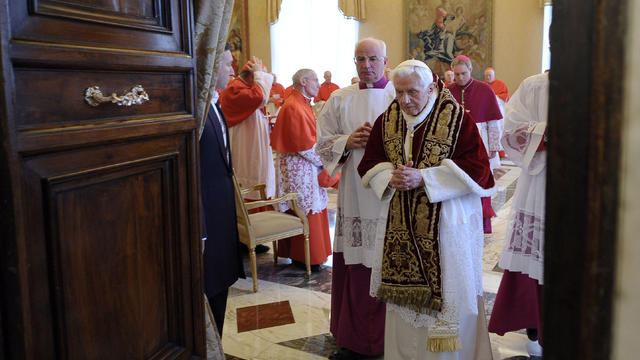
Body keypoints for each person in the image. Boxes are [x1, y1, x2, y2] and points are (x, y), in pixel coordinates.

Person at [358, 59, 496, 360]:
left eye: (413, 92)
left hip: (446, 226)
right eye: (399, 92)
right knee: (405, 315)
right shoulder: (388, 119)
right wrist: (389, 176)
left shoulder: (457, 119)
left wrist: (425, 177)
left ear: (431, 87)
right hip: (399, 225)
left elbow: (480, 170)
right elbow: (370, 163)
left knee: (448, 297)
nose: (405, 100)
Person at [317, 37, 395, 359]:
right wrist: (347, 141)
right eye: (360, 59)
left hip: (391, 194)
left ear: (386, 61)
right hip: (355, 190)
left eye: (373, 58)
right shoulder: (339, 98)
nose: (367, 65)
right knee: (357, 262)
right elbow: (321, 144)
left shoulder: (398, 94)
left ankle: (392, 338)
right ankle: (354, 336)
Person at [488, 72, 549, 358]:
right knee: (535, 252)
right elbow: (510, 129)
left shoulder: (596, 80)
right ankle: (534, 321)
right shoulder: (534, 85)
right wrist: (546, 132)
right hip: (539, 177)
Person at [201, 46, 245, 336]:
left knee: (221, 285)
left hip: (222, 214)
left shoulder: (215, 104)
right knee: (209, 286)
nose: (233, 70)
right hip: (207, 217)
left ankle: (216, 344)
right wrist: (201, 228)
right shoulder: (197, 110)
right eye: (228, 64)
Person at [270, 69, 332, 271]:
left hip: (303, 166)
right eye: (315, 80)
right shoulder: (295, 106)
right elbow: (304, 146)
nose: (319, 84)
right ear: (304, 82)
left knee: (305, 206)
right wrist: (328, 160)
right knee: (305, 208)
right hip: (301, 168)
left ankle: (301, 255)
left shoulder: (301, 102)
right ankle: (307, 257)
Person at [447, 55, 502, 234]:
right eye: (456, 75)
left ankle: (482, 223)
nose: (460, 78)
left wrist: (493, 146)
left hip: (482, 141)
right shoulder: (448, 91)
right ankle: (461, 223)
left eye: (463, 73)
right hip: (456, 143)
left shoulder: (485, 90)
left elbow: (493, 120)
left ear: (470, 70)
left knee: (481, 182)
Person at [220, 56, 275, 200]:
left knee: (259, 170)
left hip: (254, 139)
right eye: (259, 76)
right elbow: (261, 97)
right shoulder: (235, 88)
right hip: (245, 140)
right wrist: (260, 74)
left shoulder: (247, 87)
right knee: (249, 171)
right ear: (252, 76)